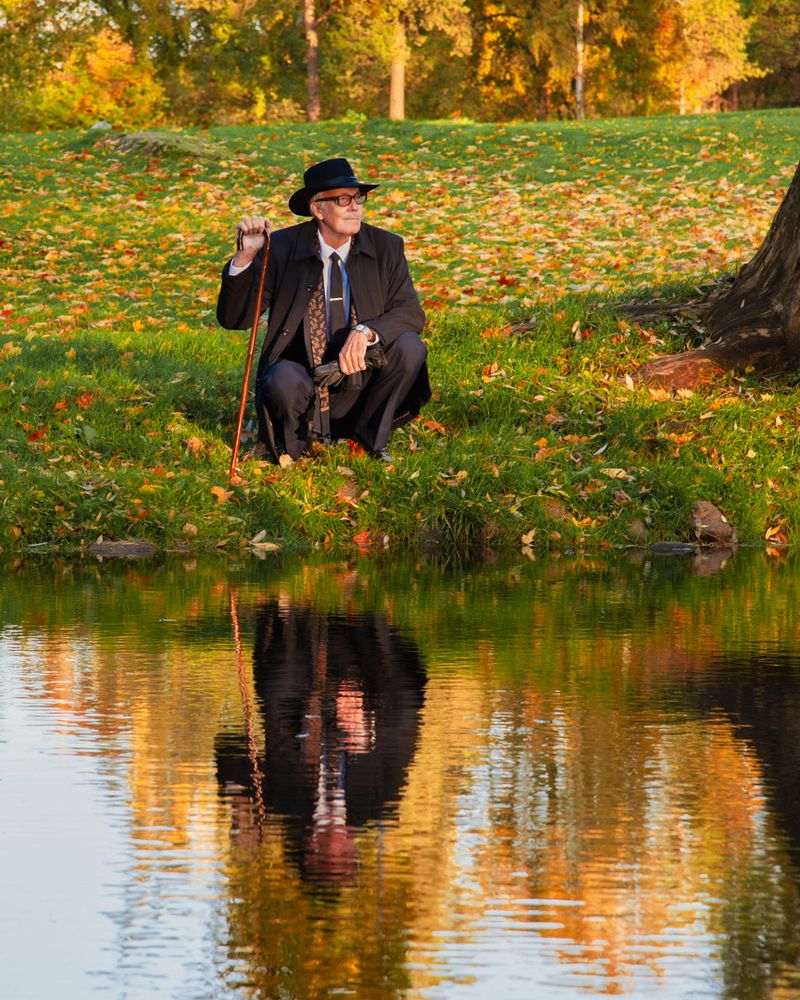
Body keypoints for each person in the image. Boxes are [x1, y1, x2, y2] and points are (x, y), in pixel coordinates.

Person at [216, 157, 431, 462]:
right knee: (282, 379)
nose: (355, 207)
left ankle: (370, 442)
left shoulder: (386, 247)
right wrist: (244, 259)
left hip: (364, 377)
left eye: (358, 198)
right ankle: (295, 448)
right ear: (318, 208)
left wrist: (367, 331)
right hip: (304, 380)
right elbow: (235, 319)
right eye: (343, 200)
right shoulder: (281, 249)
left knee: (410, 346)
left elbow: (410, 311)